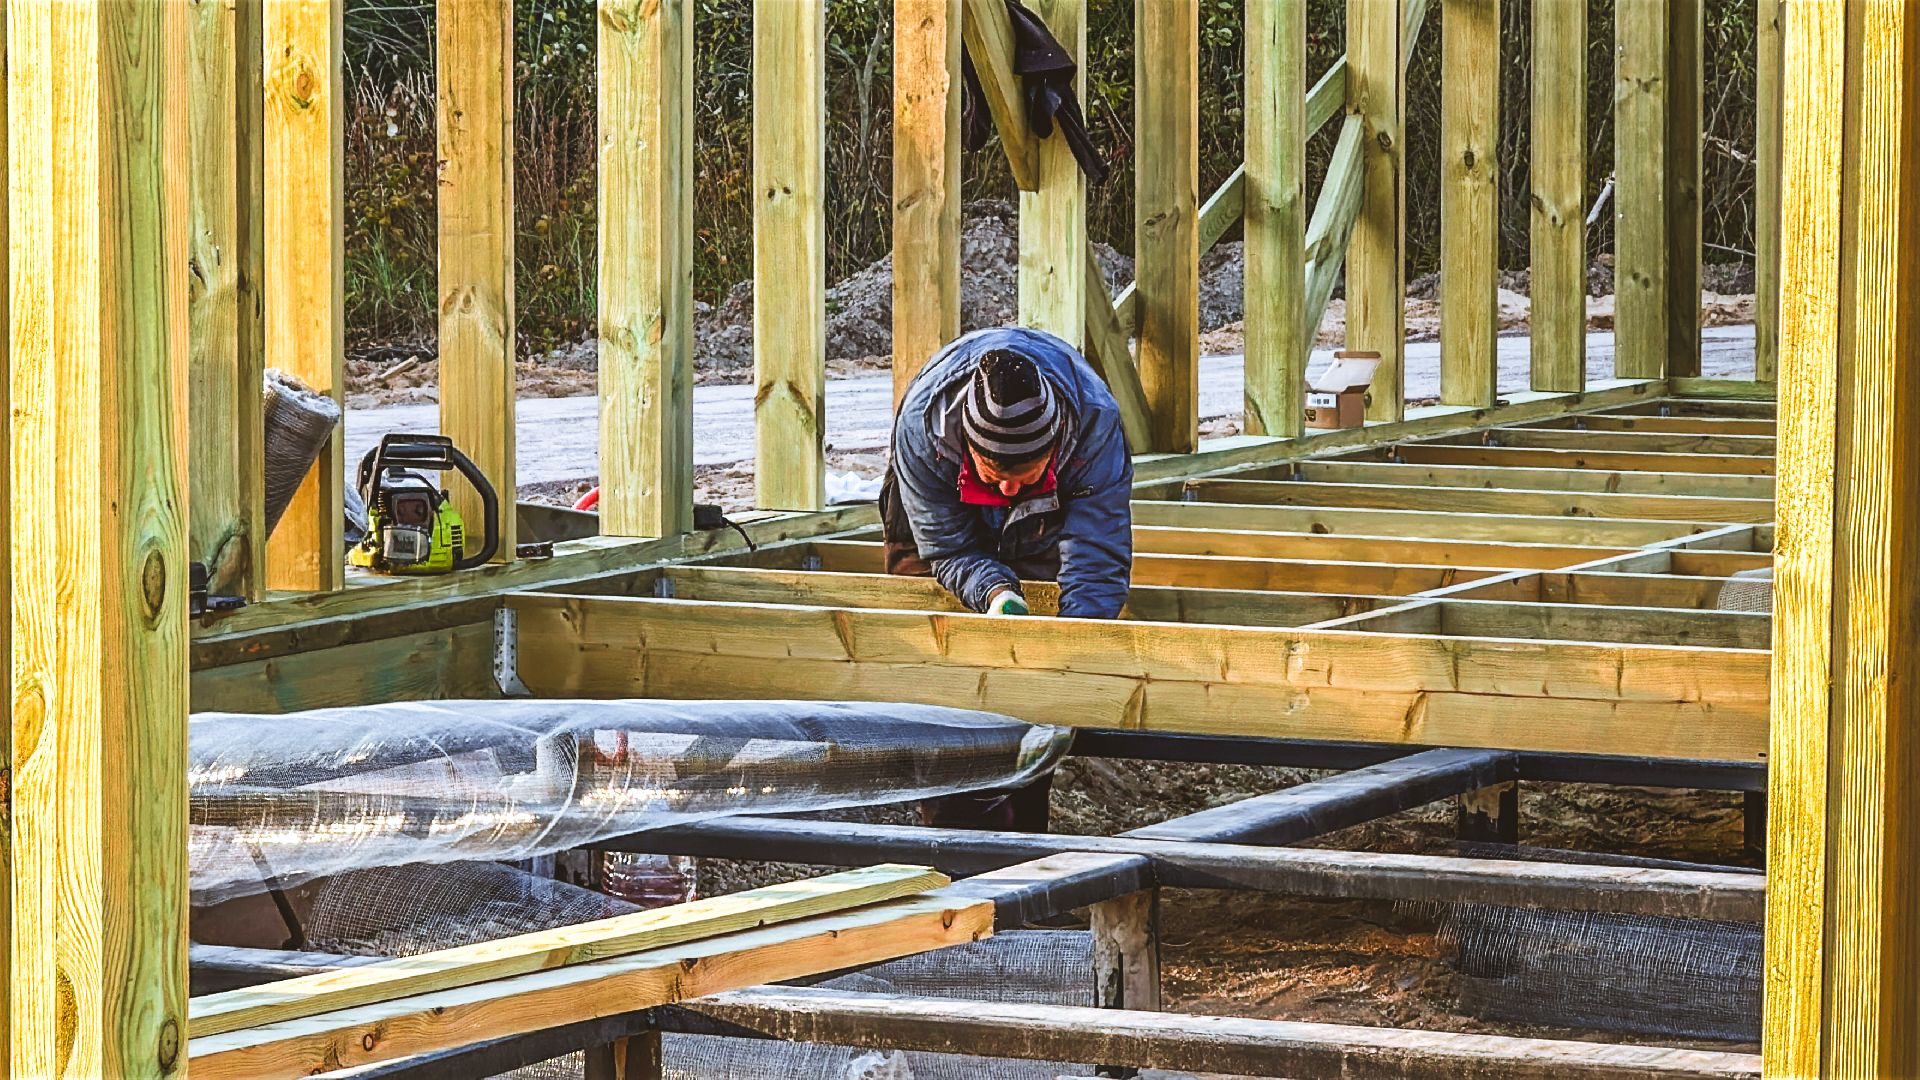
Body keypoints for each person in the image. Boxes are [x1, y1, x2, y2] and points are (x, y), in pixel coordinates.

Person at [881, 325, 1133, 830]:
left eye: (1024, 475)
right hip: (935, 514)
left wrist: (1065, 656)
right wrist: (995, 591)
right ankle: (959, 851)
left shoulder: (1094, 428)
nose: (1006, 486)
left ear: (1056, 446)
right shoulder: (922, 428)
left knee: (1032, 695)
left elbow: (1097, 561)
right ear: (969, 444)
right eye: (993, 471)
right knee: (939, 679)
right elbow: (948, 550)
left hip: (1046, 521)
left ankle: (1024, 849)